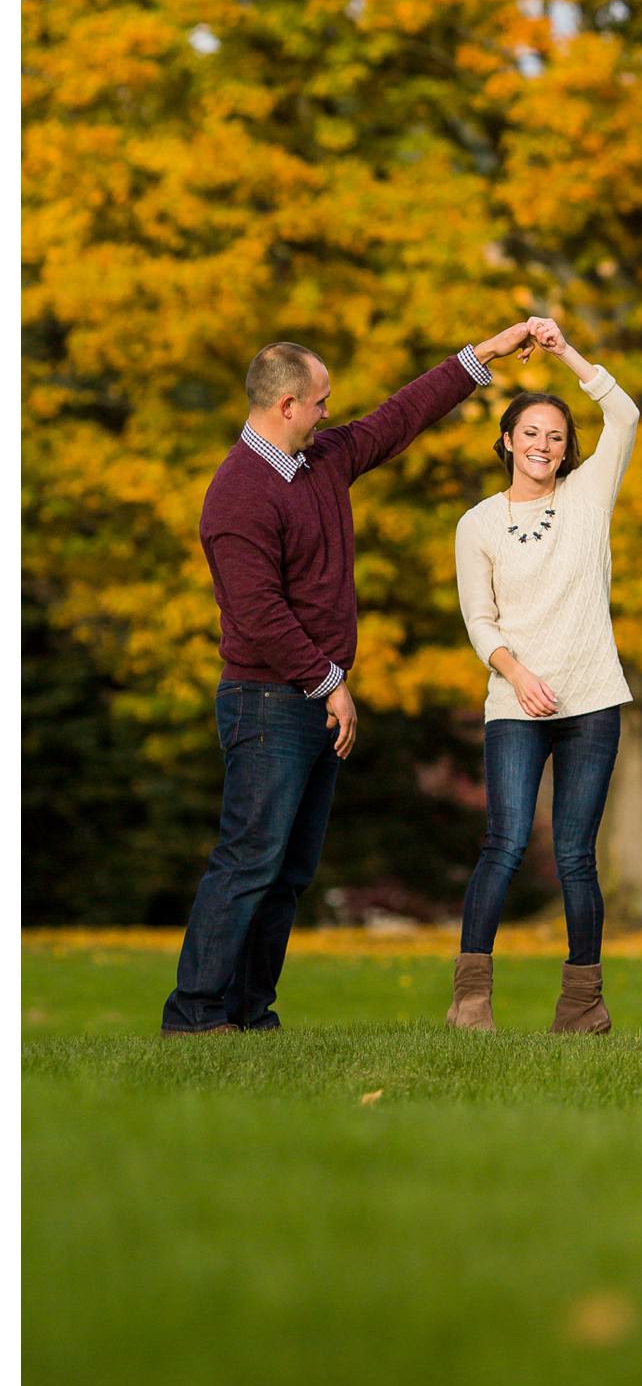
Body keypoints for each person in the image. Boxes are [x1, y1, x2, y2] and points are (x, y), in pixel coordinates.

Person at [161, 323, 538, 1034]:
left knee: (289, 875)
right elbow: (259, 614)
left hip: (307, 699)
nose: (331, 412)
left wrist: (483, 354)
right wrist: (329, 682)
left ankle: (249, 1014)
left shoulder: (321, 461)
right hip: (266, 701)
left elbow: (399, 418)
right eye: (321, 401)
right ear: (286, 407)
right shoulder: (237, 495)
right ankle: (194, 1017)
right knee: (248, 861)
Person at [450, 317, 640, 1034]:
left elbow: (623, 412)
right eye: (529, 433)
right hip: (515, 704)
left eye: (555, 436)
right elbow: (480, 621)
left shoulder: (590, 498)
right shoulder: (477, 525)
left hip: (592, 701)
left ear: (567, 450)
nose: (541, 445)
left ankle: (582, 1008)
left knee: (574, 856)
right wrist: (517, 674)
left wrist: (565, 354)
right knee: (501, 845)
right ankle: (470, 1001)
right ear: (505, 442)